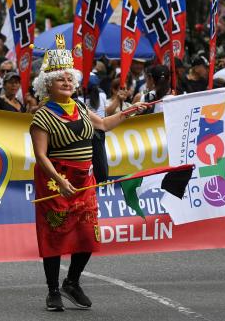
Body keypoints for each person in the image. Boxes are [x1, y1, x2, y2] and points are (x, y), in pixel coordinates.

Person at [29, 35, 146, 311]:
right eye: (61, 79)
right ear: (48, 84)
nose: (67, 83)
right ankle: (53, 290)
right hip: (56, 181)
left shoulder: (80, 107)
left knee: (88, 234)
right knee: (55, 235)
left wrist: (131, 111)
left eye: (70, 79)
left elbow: (104, 124)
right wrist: (59, 180)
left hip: (85, 178)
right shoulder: (41, 116)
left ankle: (72, 281)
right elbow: (41, 156)